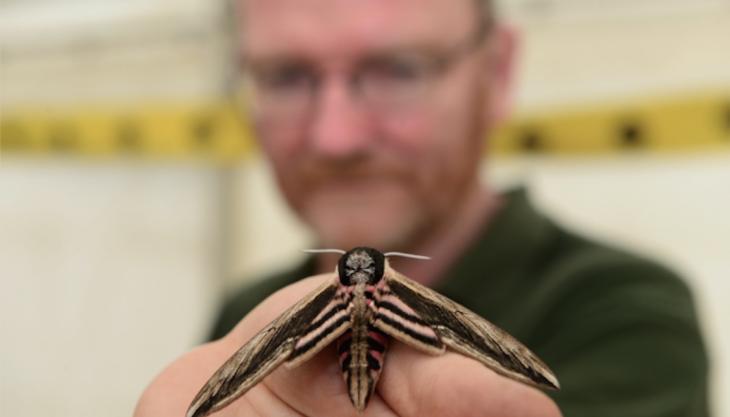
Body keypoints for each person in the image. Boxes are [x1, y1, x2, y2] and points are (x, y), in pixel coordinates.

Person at [135, 0, 709, 416]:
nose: (337, 137)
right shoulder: (241, 306)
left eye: (397, 68)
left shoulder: (622, 311)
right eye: (286, 76)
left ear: (497, 71)